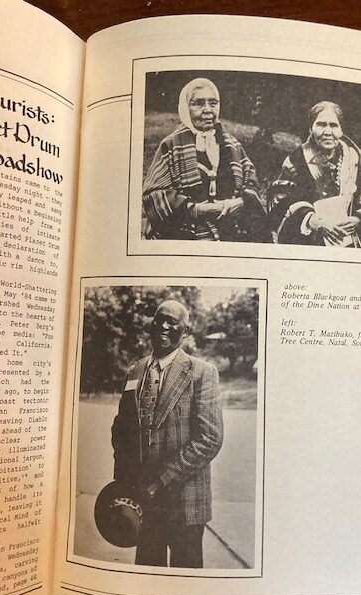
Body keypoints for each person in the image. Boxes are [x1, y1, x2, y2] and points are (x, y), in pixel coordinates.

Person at [111, 300, 223, 567]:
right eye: (158, 319)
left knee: (186, 586)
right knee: (148, 582)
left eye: (172, 322)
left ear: (186, 330)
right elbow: (122, 429)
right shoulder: (135, 371)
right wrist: (122, 484)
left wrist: (160, 480)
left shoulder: (201, 373)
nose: (163, 325)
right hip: (143, 505)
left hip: (184, 504)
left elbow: (209, 439)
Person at [142, 77, 269, 242]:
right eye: (198, 103)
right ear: (185, 108)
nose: (208, 110)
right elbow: (154, 195)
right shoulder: (170, 145)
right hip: (189, 233)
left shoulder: (233, 146)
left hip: (232, 230)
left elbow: (251, 184)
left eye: (213, 103)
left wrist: (240, 202)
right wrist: (197, 210)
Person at [268, 101, 361, 248]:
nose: (328, 132)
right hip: (311, 240)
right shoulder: (297, 160)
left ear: (341, 130)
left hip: (351, 240)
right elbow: (280, 199)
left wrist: (359, 219)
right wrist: (312, 220)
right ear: (311, 128)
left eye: (333, 125)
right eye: (321, 125)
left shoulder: (357, 160)